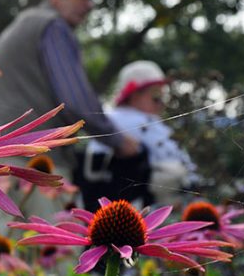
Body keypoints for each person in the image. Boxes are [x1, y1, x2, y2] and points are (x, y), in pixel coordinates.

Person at [0, 0, 140, 242]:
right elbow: (76, 100)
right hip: (41, 166)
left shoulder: (21, 26)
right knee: (57, 259)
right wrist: (119, 141)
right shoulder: (53, 27)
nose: (88, 5)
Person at [81, 60, 198, 208]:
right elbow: (178, 159)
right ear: (135, 96)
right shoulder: (137, 121)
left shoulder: (108, 120)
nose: (161, 103)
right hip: (140, 206)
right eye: (156, 98)